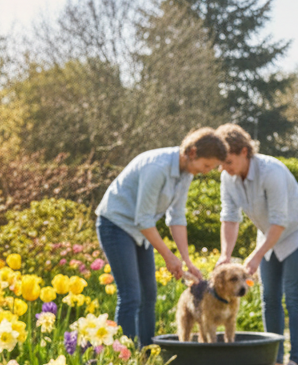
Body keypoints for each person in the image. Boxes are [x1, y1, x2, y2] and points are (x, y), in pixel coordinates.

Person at [96, 128, 228, 348]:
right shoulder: (156, 167)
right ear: (192, 152)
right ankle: (122, 358)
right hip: (116, 225)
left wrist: (186, 261)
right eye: (207, 166)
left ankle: (146, 354)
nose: (207, 172)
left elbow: (176, 217)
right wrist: (168, 256)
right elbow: (144, 219)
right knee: (131, 296)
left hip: (140, 230)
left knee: (149, 295)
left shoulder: (186, 173)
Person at [217, 123, 298, 365]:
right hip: (269, 235)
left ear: (244, 152)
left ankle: (296, 364)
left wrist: (257, 255)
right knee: (269, 297)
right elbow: (229, 217)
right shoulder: (227, 178)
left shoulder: (271, 171)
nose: (224, 167)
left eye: (228, 160)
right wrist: (225, 255)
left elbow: (280, 220)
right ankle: (274, 361)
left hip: (297, 232)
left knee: (292, 295)